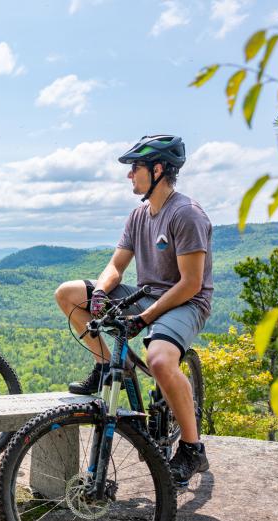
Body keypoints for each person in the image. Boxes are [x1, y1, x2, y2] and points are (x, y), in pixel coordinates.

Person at [54, 134, 213, 485]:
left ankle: (191, 448)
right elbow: (116, 266)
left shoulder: (186, 214)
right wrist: (100, 293)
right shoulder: (140, 214)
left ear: (158, 170)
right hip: (143, 294)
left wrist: (146, 317)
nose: (129, 176)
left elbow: (190, 283)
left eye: (135, 168)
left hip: (184, 301)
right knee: (67, 294)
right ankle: (112, 363)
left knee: (159, 361)